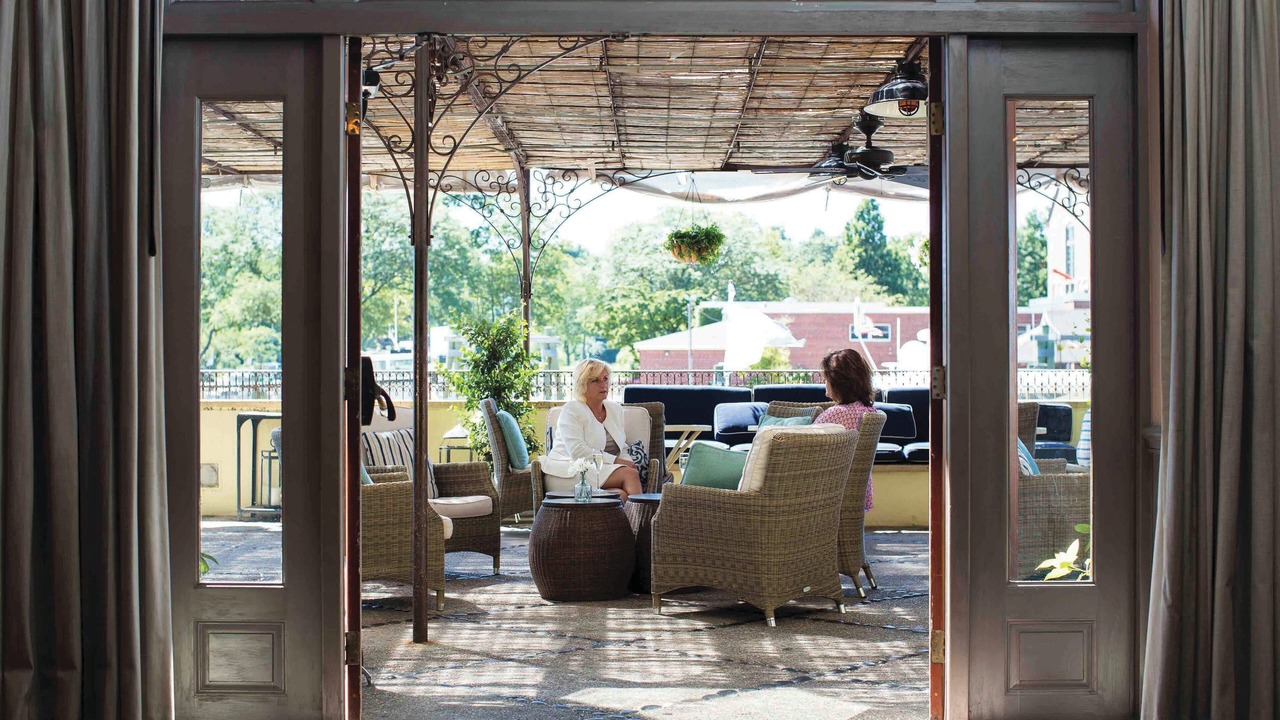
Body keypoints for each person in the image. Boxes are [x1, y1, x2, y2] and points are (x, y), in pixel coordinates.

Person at [540, 359, 643, 501]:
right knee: (630, 475)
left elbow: (622, 447)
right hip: (568, 472)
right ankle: (645, 521)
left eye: (605, 379)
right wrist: (617, 462)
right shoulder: (571, 410)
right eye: (595, 381)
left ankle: (618, 523)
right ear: (582, 384)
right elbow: (578, 452)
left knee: (621, 495)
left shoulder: (615, 409)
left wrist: (628, 462)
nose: (603, 384)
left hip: (599, 471)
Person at [814, 348, 878, 510]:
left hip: (829, 492)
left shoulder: (836, 415)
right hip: (856, 490)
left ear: (838, 382)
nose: (825, 382)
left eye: (826, 378)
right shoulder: (868, 410)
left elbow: (807, 449)